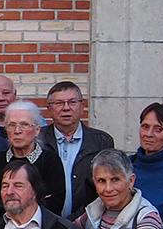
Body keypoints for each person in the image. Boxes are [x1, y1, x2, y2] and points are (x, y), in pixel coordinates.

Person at [40, 81, 115, 218]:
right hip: (45, 223)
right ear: (49, 109)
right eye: (59, 103)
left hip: (89, 221)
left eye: (72, 102)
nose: (66, 108)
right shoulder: (38, 139)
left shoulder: (101, 141)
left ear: (82, 107)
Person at [0, 101, 66, 215]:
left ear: (37, 130)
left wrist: (11, 203)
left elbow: (54, 203)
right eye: (12, 125)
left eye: (24, 125)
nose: (17, 131)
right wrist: (33, 200)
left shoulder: (50, 161)